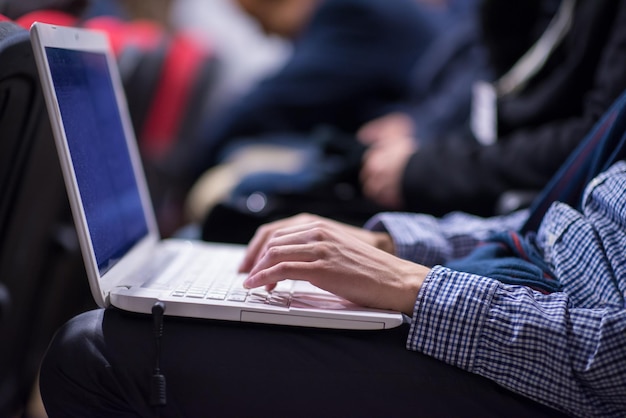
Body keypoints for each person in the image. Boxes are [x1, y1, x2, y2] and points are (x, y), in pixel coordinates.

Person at [37, 88, 626, 417]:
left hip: (554, 373)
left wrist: (418, 287)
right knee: (188, 267)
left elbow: (611, 364)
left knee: (95, 352)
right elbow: (544, 224)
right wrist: (388, 243)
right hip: (521, 293)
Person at [359, 0, 626, 216]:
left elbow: (596, 143)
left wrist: (428, 169)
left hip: (558, 221)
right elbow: (512, 90)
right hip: (515, 199)